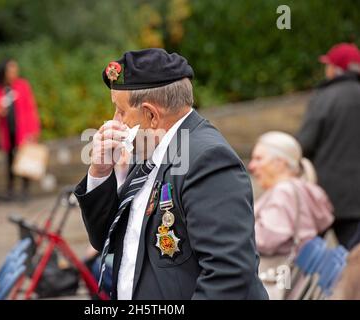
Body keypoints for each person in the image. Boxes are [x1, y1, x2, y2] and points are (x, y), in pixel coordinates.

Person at [74, 48, 268, 300]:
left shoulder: (208, 159)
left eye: (120, 111)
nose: (114, 121)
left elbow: (229, 275)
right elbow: (106, 239)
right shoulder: (148, 151)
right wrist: (100, 172)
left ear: (151, 115)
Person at [296, 43, 360, 249]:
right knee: (355, 262)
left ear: (335, 69)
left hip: (323, 197)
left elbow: (304, 144)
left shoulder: (325, 97)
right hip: (356, 203)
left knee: (306, 262)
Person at [248, 131, 334, 257]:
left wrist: (234, 229)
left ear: (280, 163)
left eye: (258, 159)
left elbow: (266, 240)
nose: (251, 166)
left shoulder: (284, 192)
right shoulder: (303, 187)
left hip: (278, 271)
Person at [0, 59, 40, 200]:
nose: (13, 73)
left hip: (23, 130)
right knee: (9, 161)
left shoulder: (22, 85)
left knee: (24, 159)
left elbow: (31, 108)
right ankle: (10, 190)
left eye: (15, 70)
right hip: (7, 131)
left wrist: (33, 130)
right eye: (10, 70)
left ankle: (25, 190)